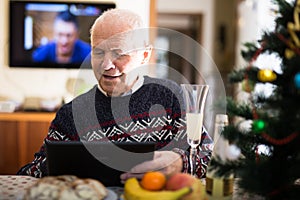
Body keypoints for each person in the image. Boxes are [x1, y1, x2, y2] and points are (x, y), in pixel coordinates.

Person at [18, 9, 213, 182]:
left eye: (119, 54)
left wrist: (180, 164)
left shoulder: (173, 97)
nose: (106, 65)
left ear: (145, 55)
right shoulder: (70, 114)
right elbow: (33, 172)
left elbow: (210, 158)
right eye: (99, 52)